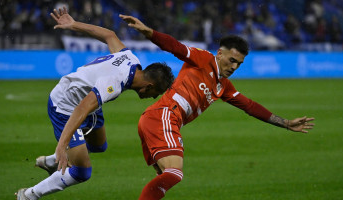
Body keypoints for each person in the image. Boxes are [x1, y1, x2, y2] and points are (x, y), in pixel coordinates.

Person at [119, 14, 315, 200]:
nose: (234, 67)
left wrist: (286, 123)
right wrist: (147, 31)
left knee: (165, 175)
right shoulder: (203, 59)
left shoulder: (223, 87)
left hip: (160, 120)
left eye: (238, 64)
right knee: (174, 173)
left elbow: (249, 106)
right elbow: (175, 47)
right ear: (220, 53)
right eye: (231, 60)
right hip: (164, 116)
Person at [16, 7, 174, 200]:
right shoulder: (115, 83)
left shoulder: (131, 59)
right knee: (82, 172)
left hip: (87, 99)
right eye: (155, 94)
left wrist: (74, 25)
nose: (153, 98)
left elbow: (109, 35)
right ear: (148, 87)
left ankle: (51, 161)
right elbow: (81, 108)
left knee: (99, 145)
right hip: (66, 105)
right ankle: (28, 195)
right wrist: (62, 145)